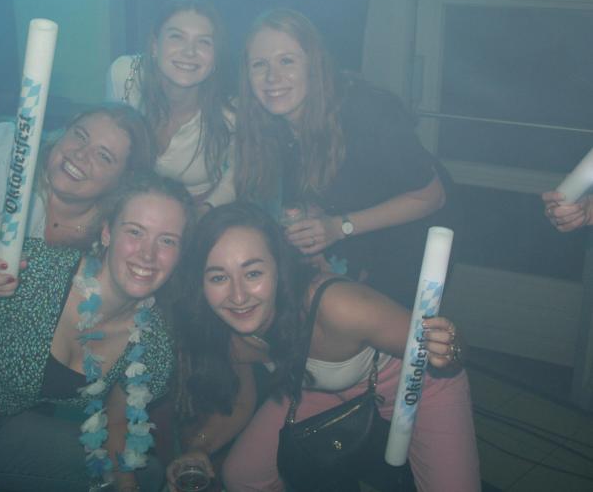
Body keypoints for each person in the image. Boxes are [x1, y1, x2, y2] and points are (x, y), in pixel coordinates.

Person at [168, 203, 480, 492]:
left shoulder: (337, 305)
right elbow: (241, 402)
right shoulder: (227, 333)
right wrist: (199, 448)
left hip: (418, 386)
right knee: (242, 476)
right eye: (218, 277)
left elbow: (454, 351)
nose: (238, 297)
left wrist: (449, 347)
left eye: (253, 273)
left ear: (280, 268)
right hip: (314, 387)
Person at [0, 172, 194, 492]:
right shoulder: (38, 273)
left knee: (147, 474)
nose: (148, 254)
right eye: (135, 232)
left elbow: (117, 422)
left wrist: (124, 484)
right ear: (107, 232)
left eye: (167, 241)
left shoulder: (154, 344)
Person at [235, 8, 451, 307]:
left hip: (409, 243)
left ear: (314, 65)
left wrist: (338, 227)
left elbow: (432, 196)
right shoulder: (267, 124)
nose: (272, 77)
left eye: (287, 61)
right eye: (260, 64)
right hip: (348, 243)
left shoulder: (367, 112)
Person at [0, 102, 155, 291]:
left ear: (123, 181)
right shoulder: (16, 153)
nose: (81, 154)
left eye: (103, 156)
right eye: (80, 136)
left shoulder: (109, 242)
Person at [106, 0, 235, 212]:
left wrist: (205, 211)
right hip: (126, 203)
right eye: (177, 37)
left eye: (204, 42)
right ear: (155, 46)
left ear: (215, 57)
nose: (189, 52)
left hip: (196, 210)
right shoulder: (124, 74)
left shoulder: (231, 110)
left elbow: (239, 173)